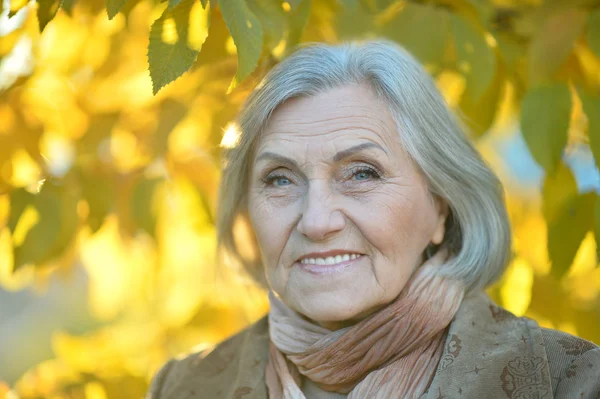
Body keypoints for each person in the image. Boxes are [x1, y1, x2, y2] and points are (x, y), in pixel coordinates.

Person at [146, 40, 600, 398]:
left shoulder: (570, 381)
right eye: (280, 180)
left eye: (362, 173)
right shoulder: (183, 388)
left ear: (440, 207)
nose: (317, 221)